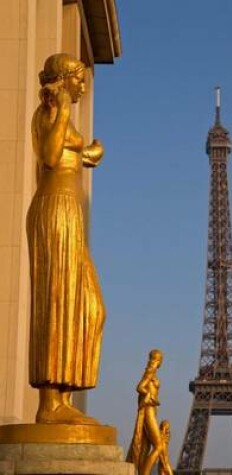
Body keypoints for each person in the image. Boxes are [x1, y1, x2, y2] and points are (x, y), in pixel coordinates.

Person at [26, 53, 105, 424]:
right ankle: (49, 405)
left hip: (70, 212)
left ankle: (65, 397)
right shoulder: (48, 114)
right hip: (54, 209)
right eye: (78, 77)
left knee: (89, 308)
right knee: (56, 299)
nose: (83, 84)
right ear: (63, 80)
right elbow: (50, 154)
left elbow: (70, 154)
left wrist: (88, 152)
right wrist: (59, 109)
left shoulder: (63, 118)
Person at [127, 349, 173, 475]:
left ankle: (143, 471)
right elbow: (140, 387)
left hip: (152, 410)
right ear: (158, 360)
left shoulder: (153, 372)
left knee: (146, 446)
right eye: (160, 359)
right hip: (148, 410)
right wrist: (150, 396)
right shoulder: (151, 371)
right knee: (158, 445)